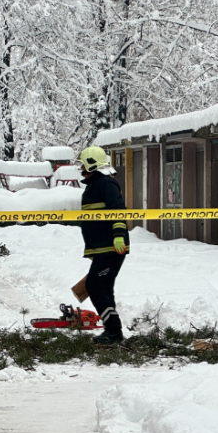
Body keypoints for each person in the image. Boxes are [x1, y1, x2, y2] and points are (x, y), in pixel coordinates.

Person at [77, 146, 130, 345]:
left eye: (83, 163)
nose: (81, 167)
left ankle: (114, 330)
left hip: (112, 247)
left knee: (95, 285)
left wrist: (118, 235)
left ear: (91, 163)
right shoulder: (95, 185)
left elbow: (118, 211)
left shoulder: (106, 184)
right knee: (103, 287)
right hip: (103, 249)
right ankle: (112, 331)